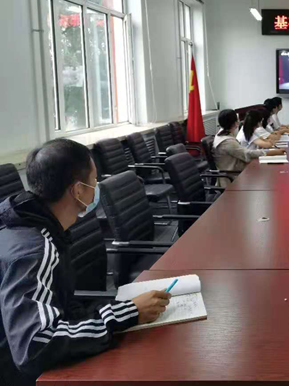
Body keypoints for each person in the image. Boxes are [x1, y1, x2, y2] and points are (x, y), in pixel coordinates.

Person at [0, 139, 171, 386]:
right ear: (78, 190)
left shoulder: (34, 224)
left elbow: (59, 304)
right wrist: (128, 312)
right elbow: (36, 345)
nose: (97, 186)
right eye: (95, 180)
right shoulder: (36, 249)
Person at [213, 110, 285, 181]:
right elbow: (247, 154)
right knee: (269, 176)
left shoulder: (221, 135)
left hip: (235, 170)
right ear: (235, 123)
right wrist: (272, 152)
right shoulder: (227, 142)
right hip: (234, 176)